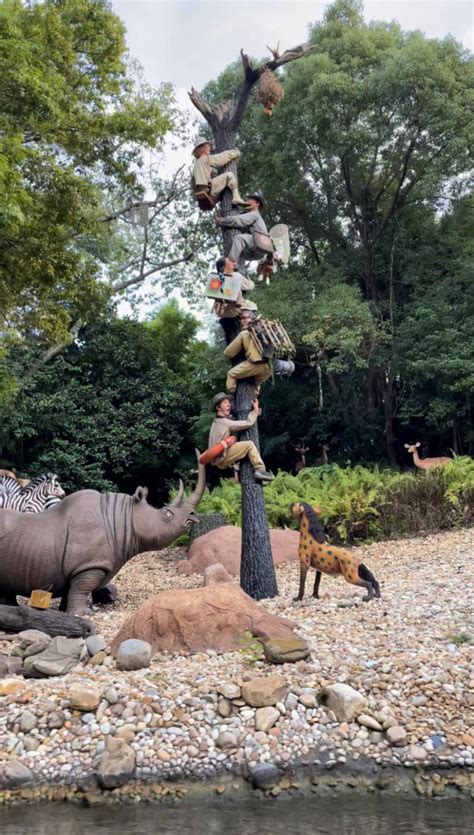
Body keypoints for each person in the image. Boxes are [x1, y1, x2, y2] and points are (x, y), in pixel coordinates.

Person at [208, 393, 273, 482]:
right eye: (225, 403)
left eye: (229, 403)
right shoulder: (223, 422)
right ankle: (260, 470)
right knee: (249, 445)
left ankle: (263, 480)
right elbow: (248, 422)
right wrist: (255, 411)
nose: (228, 405)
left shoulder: (217, 422)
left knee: (239, 445)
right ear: (218, 408)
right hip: (222, 457)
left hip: (219, 459)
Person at [216, 191, 274, 265]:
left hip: (258, 242)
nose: (247, 201)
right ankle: (236, 266)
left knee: (239, 238)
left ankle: (231, 263)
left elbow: (237, 220)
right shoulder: (251, 215)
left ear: (257, 203)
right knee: (239, 252)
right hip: (259, 252)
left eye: (251, 200)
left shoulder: (254, 214)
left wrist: (221, 221)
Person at [224, 310, 272, 395]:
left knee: (231, 374)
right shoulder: (267, 329)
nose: (241, 320)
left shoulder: (245, 333)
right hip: (269, 368)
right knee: (256, 382)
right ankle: (256, 392)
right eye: (240, 318)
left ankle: (233, 394)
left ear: (251, 318)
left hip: (256, 364)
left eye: (244, 318)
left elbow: (229, 353)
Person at [191, 137, 247, 206]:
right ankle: (236, 197)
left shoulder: (197, 164)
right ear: (202, 148)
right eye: (207, 146)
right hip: (208, 190)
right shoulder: (204, 159)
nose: (210, 148)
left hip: (204, 193)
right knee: (229, 175)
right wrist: (235, 153)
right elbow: (221, 158)